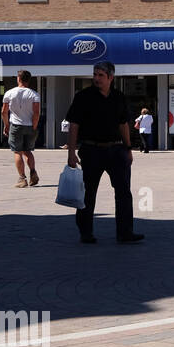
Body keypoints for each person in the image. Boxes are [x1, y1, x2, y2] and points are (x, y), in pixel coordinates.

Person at [65, 60, 143, 244]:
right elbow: (73, 125)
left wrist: (128, 148)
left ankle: (125, 232)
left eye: (101, 75)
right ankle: (86, 232)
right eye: (95, 74)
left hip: (117, 150)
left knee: (123, 192)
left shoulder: (118, 97)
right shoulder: (83, 97)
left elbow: (123, 124)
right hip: (91, 150)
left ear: (111, 77)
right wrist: (71, 152)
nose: (96, 78)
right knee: (88, 192)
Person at [1, 70, 41, 188]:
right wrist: (34, 126)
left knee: (17, 151)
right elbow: (36, 113)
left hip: (16, 125)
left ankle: (22, 178)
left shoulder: (9, 93)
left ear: (18, 79)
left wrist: (6, 125)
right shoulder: (34, 94)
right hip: (29, 125)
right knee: (28, 151)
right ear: (28, 80)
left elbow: (4, 112)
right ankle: (33, 173)